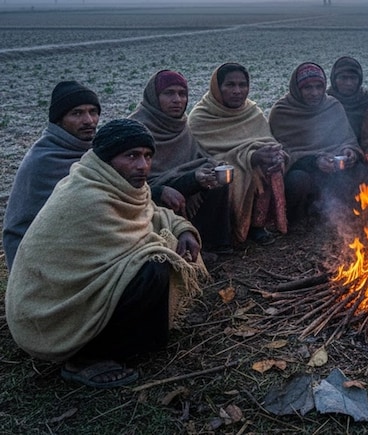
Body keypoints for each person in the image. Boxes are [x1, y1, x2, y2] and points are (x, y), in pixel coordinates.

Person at [5, 119, 208, 388]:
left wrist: (183, 230)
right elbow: (139, 243)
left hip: (79, 289)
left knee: (154, 263)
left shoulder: (123, 185)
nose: (143, 166)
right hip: (50, 310)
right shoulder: (87, 196)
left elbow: (152, 213)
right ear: (106, 159)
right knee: (153, 267)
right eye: (131, 156)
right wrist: (166, 247)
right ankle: (85, 359)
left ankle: (136, 340)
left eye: (147, 156)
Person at [128, 70, 232, 255]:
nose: (177, 100)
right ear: (154, 96)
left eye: (182, 94)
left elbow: (197, 157)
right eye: (169, 93)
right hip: (149, 196)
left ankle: (214, 242)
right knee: (183, 186)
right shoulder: (136, 129)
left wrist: (212, 166)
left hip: (182, 186)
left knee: (217, 180)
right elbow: (130, 181)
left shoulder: (181, 126)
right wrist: (167, 187)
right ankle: (178, 248)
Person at [2, 80, 100, 270]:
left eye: (93, 111)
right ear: (58, 120)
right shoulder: (43, 160)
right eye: (77, 113)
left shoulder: (93, 151)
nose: (88, 120)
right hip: (40, 258)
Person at [188, 62, 288, 245]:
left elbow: (267, 140)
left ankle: (257, 225)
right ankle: (230, 228)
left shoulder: (253, 112)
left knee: (270, 164)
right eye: (230, 85)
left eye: (242, 85)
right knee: (233, 174)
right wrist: (250, 157)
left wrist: (274, 154)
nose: (237, 91)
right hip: (218, 171)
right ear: (217, 88)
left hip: (252, 167)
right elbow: (202, 157)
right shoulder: (201, 117)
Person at [269, 62, 364, 227]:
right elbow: (284, 153)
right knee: (297, 181)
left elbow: (347, 139)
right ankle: (297, 219)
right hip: (303, 170)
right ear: (297, 89)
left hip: (333, 169)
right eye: (307, 88)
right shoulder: (282, 111)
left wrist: (349, 152)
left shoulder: (332, 106)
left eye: (319, 87)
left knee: (362, 170)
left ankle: (340, 213)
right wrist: (314, 161)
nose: (314, 93)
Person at [326, 56, 368, 145]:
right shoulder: (325, 102)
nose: (348, 83)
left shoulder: (367, 102)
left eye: (353, 78)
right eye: (343, 78)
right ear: (334, 79)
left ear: (359, 80)